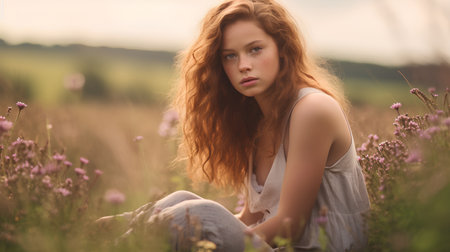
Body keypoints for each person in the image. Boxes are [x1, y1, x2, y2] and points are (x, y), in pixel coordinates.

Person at [96, 0, 370, 251]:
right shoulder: (260, 120)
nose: (243, 65)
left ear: (282, 50)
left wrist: (208, 228)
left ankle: (114, 241)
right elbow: (250, 218)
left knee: (203, 214)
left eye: (255, 50)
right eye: (230, 56)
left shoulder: (312, 110)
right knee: (183, 200)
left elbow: (290, 225)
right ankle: (115, 232)